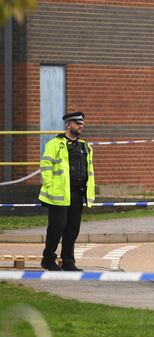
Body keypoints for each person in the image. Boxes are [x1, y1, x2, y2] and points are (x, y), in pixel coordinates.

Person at [39, 112, 95, 271]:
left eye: (82, 123)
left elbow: (89, 171)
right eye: (78, 123)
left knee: (72, 228)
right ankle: (48, 259)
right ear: (68, 124)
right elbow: (46, 166)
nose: (81, 126)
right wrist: (49, 187)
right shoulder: (55, 144)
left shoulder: (85, 146)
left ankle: (68, 262)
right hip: (59, 193)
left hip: (78, 193)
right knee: (57, 227)